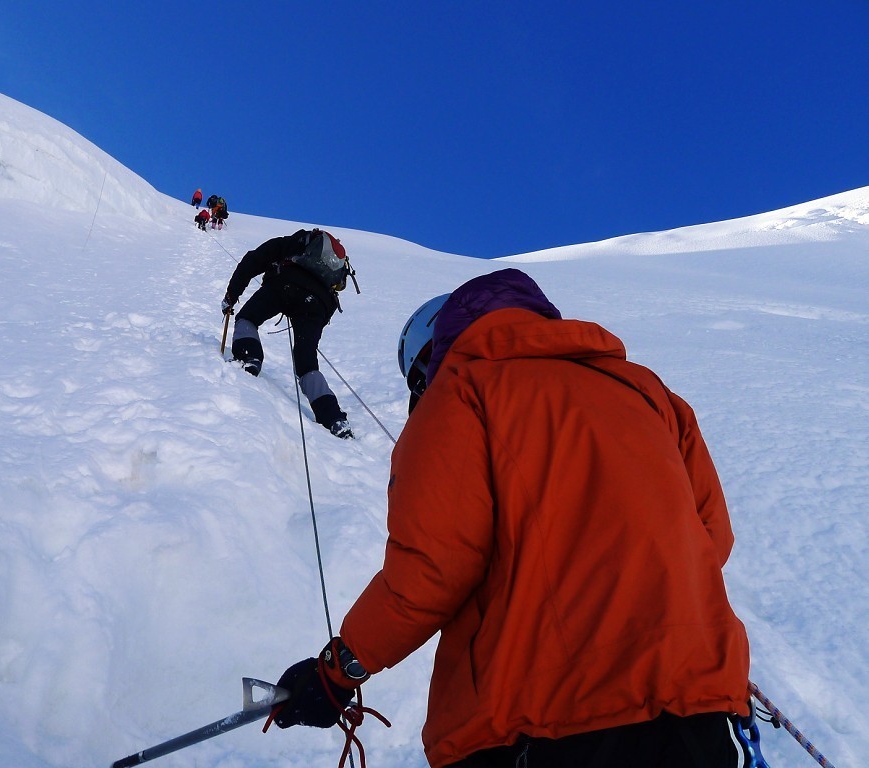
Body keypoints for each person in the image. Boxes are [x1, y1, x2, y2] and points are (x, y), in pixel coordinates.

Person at [270, 268, 754, 766]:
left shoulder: (461, 394)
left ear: (430, 359)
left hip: (544, 720)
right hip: (697, 707)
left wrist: (337, 670)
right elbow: (711, 538)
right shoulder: (649, 391)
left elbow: (431, 572)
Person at [221, 229, 352, 438]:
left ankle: (249, 357)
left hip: (284, 285)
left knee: (248, 318)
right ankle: (334, 419)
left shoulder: (290, 243)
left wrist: (231, 295)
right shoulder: (326, 267)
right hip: (318, 304)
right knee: (307, 362)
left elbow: (253, 260)